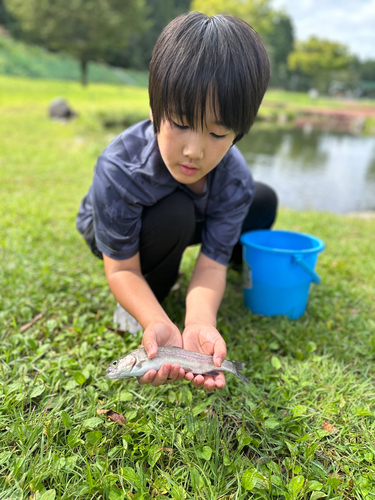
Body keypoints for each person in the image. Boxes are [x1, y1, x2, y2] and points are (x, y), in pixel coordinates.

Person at [76, 12, 277, 392]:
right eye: (181, 123)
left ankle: (173, 273)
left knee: (260, 199)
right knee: (173, 214)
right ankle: (150, 292)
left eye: (217, 132)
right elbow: (120, 270)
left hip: (186, 211)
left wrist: (199, 321)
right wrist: (155, 318)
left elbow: (211, 268)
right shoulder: (120, 167)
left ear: (238, 133)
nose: (193, 151)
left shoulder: (233, 177)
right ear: (154, 110)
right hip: (116, 229)